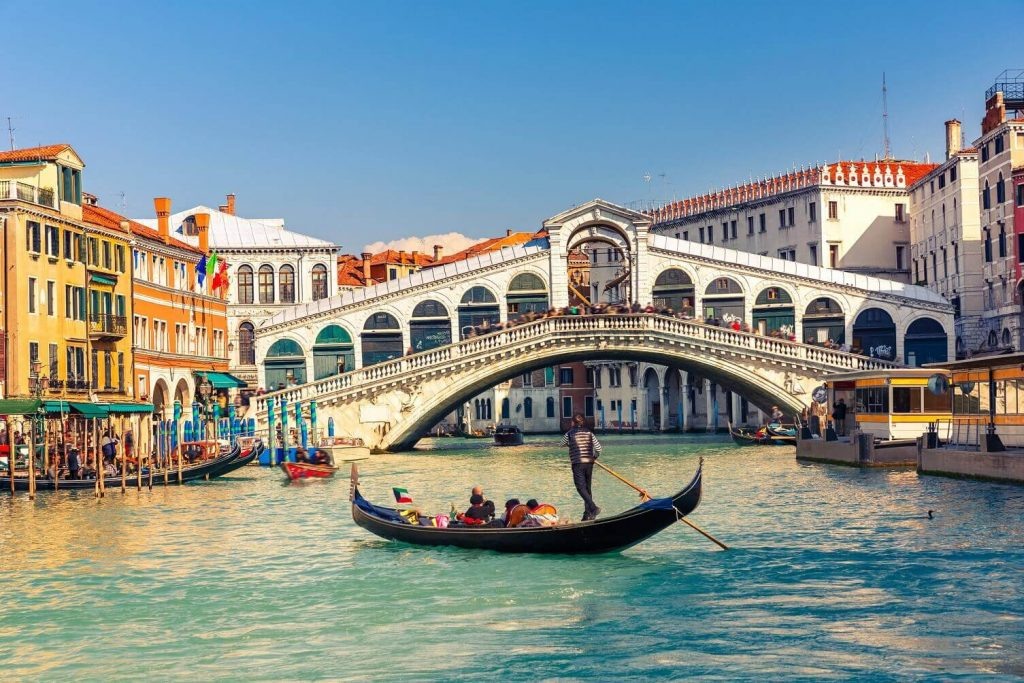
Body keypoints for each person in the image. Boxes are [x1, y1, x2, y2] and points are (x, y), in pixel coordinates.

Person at [561, 413, 602, 521]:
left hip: (577, 463)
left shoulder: (569, 434)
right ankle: (588, 515)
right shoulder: (589, 433)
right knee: (587, 488)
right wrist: (594, 457)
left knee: (580, 488)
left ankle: (593, 508)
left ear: (573, 423)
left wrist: (570, 445)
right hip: (589, 463)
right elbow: (598, 449)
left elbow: (561, 444)